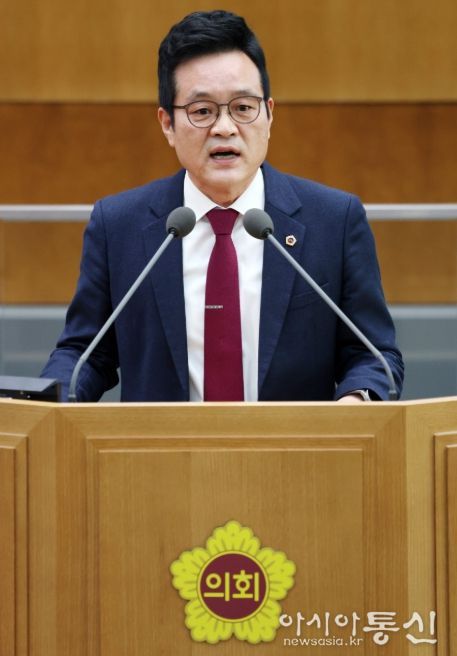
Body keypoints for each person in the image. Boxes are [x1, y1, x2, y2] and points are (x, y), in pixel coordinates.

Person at [41, 10, 403, 403]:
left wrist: (355, 403)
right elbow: (85, 354)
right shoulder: (118, 226)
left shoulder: (334, 220)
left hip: (294, 444)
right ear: (167, 124)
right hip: (158, 445)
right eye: (202, 111)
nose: (225, 128)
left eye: (243, 108)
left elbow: (373, 355)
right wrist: (49, 404)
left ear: (269, 115)